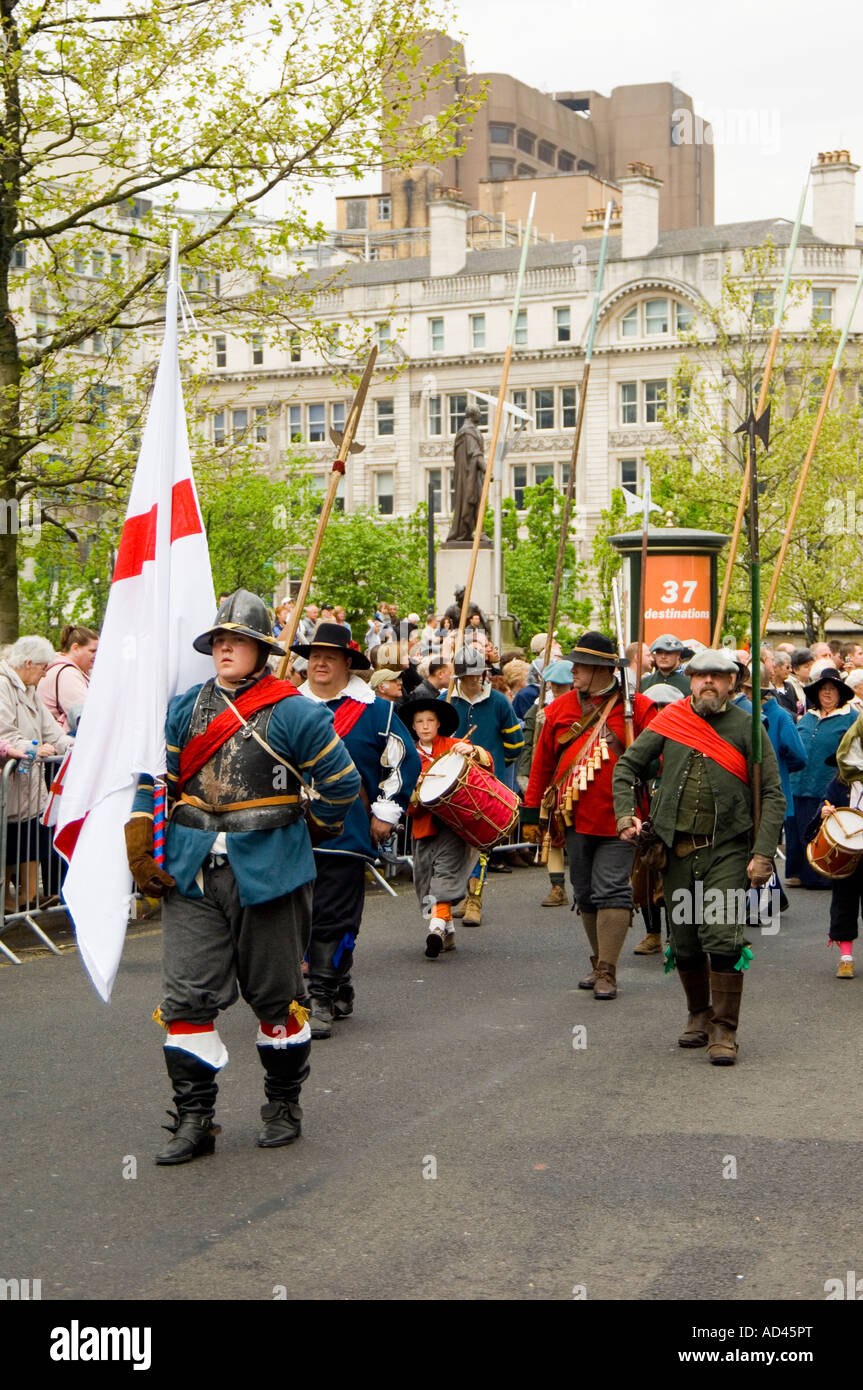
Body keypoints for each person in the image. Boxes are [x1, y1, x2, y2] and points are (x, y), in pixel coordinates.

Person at [123, 590, 361, 1164]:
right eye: (219, 641)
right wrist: (140, 836)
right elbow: (159, 779)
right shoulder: (185, 707)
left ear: (260, 648)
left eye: (238, 640)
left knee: (278, 1000)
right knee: (186, 998)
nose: (226, 648)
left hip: (272, 873)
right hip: (194, 869)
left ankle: (282, 1106)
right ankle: (195, 1120)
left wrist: (309, 834)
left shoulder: (296, 710)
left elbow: (342, 784)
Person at [613, 648, 784, 1064]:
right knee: (685, 941)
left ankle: (725, 1030)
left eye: (718, 677)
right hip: (674, 851)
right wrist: (625, 816)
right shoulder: (669, 722)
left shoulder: (748, 728)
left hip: (726, 849)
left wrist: (763, 853)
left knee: (722, 937)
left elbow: (772, 795)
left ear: (732, 684)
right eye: (701, 676)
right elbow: (627, 767)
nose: (709, 682)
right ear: (691, 681)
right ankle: (698, 1014)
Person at [294, 623, 420, 1038]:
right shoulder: (285, 706)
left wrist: (386, 811)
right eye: (314, 655)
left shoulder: (376, 712)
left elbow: (404, 763)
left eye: (329, 656)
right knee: (295, 918)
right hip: (288, 832)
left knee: (335, 917)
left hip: (345, 833)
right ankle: (332, 981)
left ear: (348, 663)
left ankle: (323, 996)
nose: (319, 663)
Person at [521, 631, 657, 999]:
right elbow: (542, 763)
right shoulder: (560, 709)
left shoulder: (638, 708)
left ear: (600, 669)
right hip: (573, 816)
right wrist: (531, 811)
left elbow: (657, 763)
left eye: (580, 665)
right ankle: (599, 961)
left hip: (621, 817)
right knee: (585, 891)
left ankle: (609, 971)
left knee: (612, 887)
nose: (573, 670)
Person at [403, 696, 492, 959]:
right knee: (425, 880)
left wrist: (474, 752)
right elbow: (403, 795)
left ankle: (436, 929)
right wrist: (415, 786)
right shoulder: (408, 755)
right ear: (414, 727)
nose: (426, 726)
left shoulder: (455, 745)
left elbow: (488, 764)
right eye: (420, 722)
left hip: (455, 825)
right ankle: (448, 932)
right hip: (423, 825)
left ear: (439, 723)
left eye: (430, 720)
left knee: (445, 876)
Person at [446, 644, 524, 922]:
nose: (476, 679)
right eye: (469, 675)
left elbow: (516, 744)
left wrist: (497, 766)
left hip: (487, 784)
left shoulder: (500, 702)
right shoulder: (446, 701)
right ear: (458, 678)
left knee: (482, 843)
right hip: (453, 785)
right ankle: (459, 894)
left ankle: (475, 900)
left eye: (479, 674)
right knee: (455, 843)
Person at [0, 636, 74, 909]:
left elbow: (52, 732)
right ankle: (9, 903)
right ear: (28, 663)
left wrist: (72, 746)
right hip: (11, 785)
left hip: (28, 789)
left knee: (24, 842)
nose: (46, 673)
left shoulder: (29, 689)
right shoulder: (3, 686)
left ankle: (26, 900)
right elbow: (5, 733)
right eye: (44, 667)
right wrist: (32, 748)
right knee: (7, 845)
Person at [785, 668, 857, 889]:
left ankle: (819, 875)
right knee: (795, 829)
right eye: (823, 689)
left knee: (820, 829)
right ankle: (796, 871)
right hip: (797, 783)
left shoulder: (852, 717)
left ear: (840, 694)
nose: (827, 693)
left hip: (826, 784)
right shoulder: (807, 716)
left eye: (832, 689)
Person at [518, 659, 575, 908]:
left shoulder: (582, 708)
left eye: (562, 686)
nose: (557, 690)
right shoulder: (536, 711)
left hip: (576, 777)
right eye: (554, 686)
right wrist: (526, 776)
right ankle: (557, 886)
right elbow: (529, 747)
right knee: (552, 833)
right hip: (551, 781)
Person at [37, 624, 99, 732]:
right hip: (59, 742)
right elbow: (85, 716)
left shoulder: (69, 669)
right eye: (92, 651)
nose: (96, 656)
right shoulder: (67, 673)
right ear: (75, 648)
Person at [446, 407, 487, 543]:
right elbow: (475, 453)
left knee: (476, 501)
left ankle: (472, 531)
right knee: (474, 501)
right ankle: (476, 532)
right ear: (473, 414)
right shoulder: (468, 433)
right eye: (479, 413)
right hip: (469, 475)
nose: (481, 416)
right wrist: (486, 469)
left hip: (472, 474)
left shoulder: (468, 432)